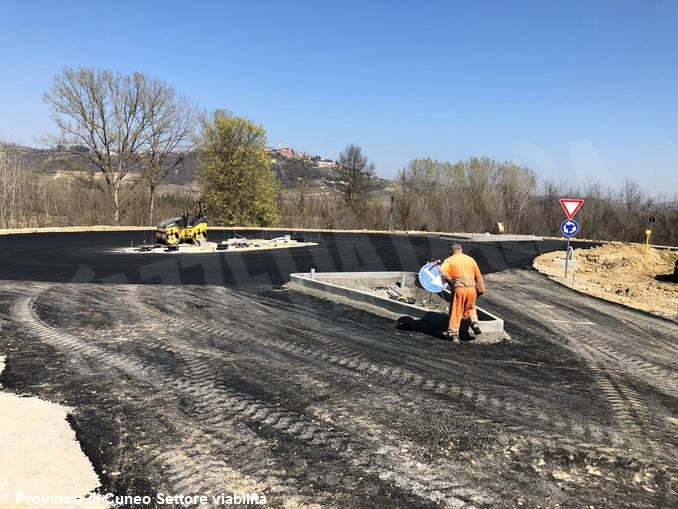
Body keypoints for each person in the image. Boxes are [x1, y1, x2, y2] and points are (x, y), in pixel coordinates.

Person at [435, 243, 485, 343]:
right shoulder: (471, 260)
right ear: (461, 249)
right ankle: (474, 323)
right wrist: (480, 290)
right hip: (472, 289)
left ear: (451, 251)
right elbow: (478, 276)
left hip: (459, 289)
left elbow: (442, 270)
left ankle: (453, 334)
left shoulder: (449, 260)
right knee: (470, 308)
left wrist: (450, 280)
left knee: (456, 310)